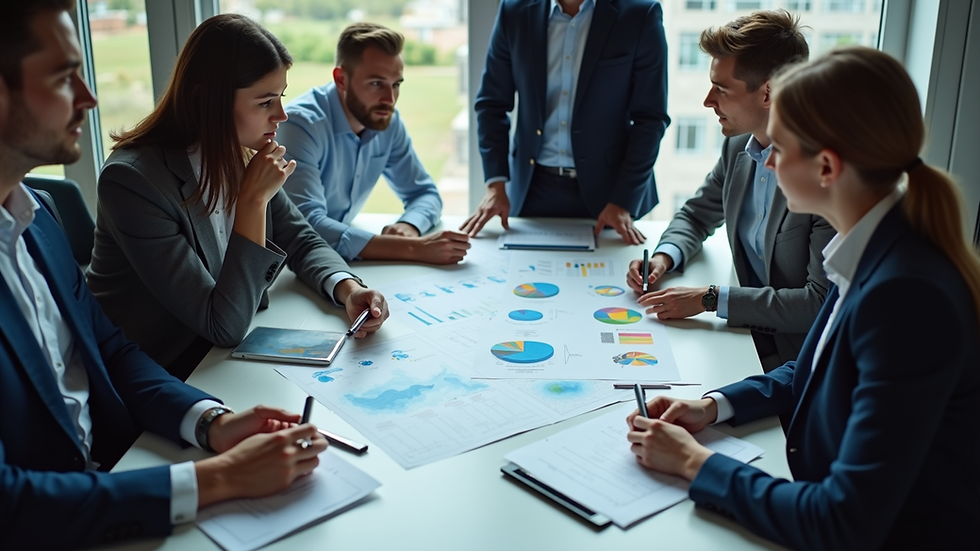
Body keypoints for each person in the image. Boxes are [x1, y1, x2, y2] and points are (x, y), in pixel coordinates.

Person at [0, 3, 329, 548]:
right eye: (63, 77)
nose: (90, 97)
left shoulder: (36, 216)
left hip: (128, 453)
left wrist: (210, 422)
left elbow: (110, 350)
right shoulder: (134, 179)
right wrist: (217, 478)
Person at [626, 46, 980, 550]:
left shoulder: (906, 299)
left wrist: (693, 461)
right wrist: (713, 407)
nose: (765, 158)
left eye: (779, 147)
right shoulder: (869, 245)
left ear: (827, 168)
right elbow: (812, 370)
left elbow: (840, 522)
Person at [86, 14, 389, 378]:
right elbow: (223, 326)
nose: (281, 115)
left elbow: (302, 239)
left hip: (218, 359)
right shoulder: (133, 182)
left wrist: (347, 288)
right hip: (159, 371)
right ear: (205, 101)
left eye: (281, 97)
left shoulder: (238, 149)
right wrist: (253, 201)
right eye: (264, 103)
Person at [627, 10, 833, 371]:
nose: (708, 101)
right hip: (742, 340)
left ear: (768, 91)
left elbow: (818, 304)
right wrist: (664, 259)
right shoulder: (739, 146)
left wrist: (709, 299)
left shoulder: (822, 174)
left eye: (721, 89)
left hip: (797, 362)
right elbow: (696, 214)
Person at [461, 0, 669, 245]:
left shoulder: (640, 13)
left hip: (612, 197)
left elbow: (650, 118)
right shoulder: (514, 10)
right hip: (530, 190)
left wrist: (623, 200)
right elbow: (492, 104)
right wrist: (496, 183)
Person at [279, 23, 469, 264]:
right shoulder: (300, 126)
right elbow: (306, 225)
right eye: (377, 83)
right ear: (341, 79)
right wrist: (411, 248)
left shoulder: (387, 120)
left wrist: (409, 226)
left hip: (341, 263)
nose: (390, 99)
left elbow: (424, 193)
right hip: (287, 271)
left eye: (396, 84)